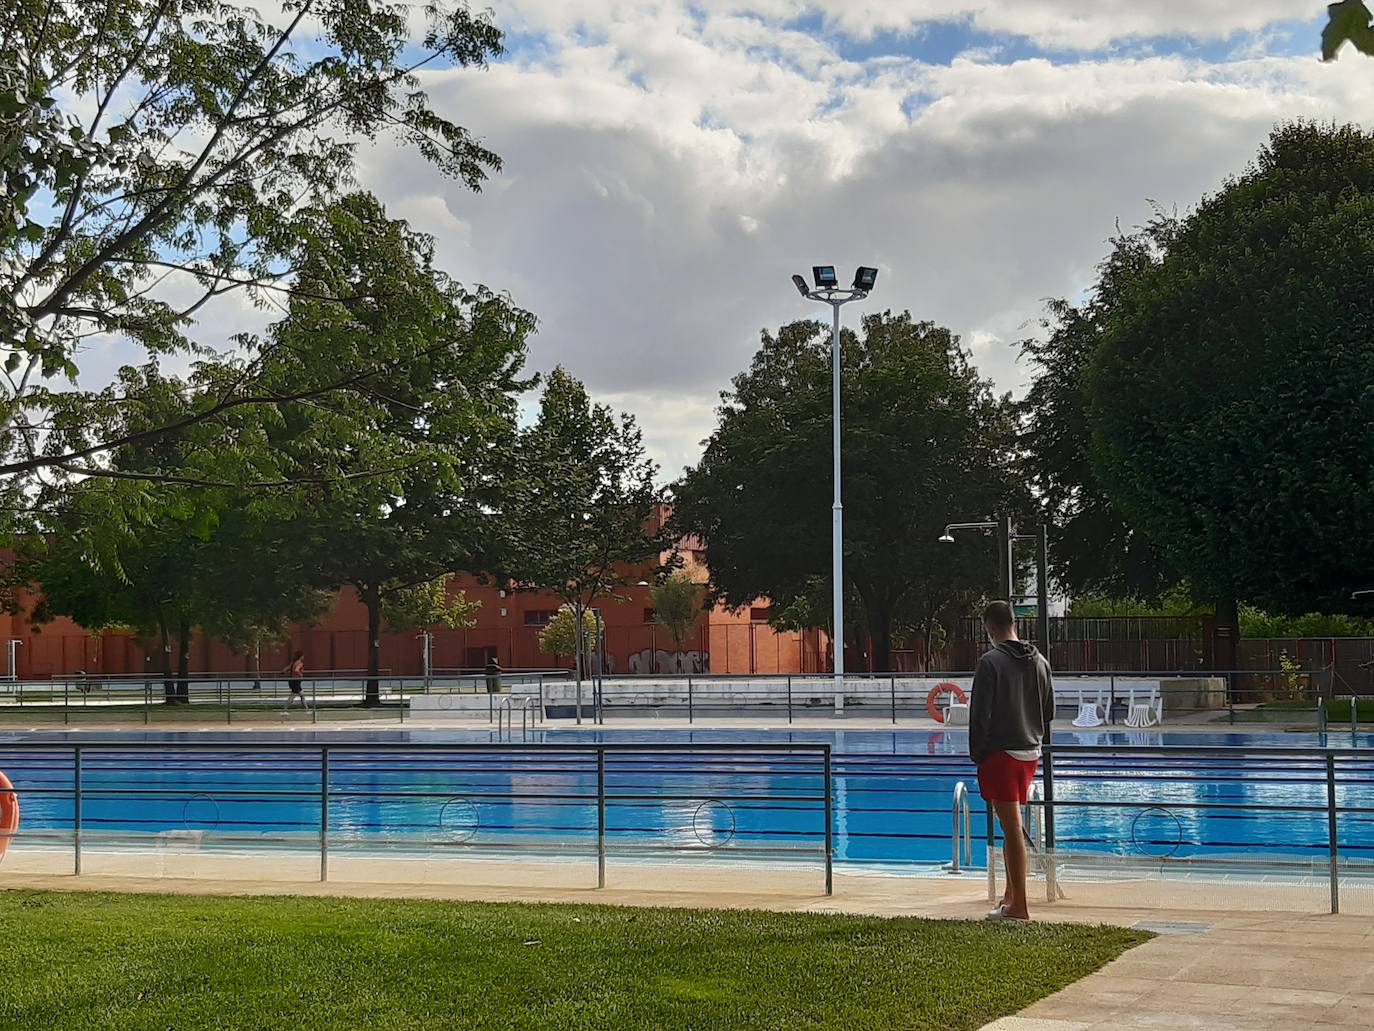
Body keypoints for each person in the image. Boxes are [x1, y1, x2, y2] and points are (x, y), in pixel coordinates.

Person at [970, 600, 1055, 922]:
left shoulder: (990, 662)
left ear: (989, 626)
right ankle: (1009, 896)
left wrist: (978, 755)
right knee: (1011, 828)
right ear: (1013, 623)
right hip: (1030, 751)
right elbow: (1049, 713)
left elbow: (980, 716)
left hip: (1001, 753)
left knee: (1012, 828)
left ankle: (1019, 905)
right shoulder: (1041, 662)